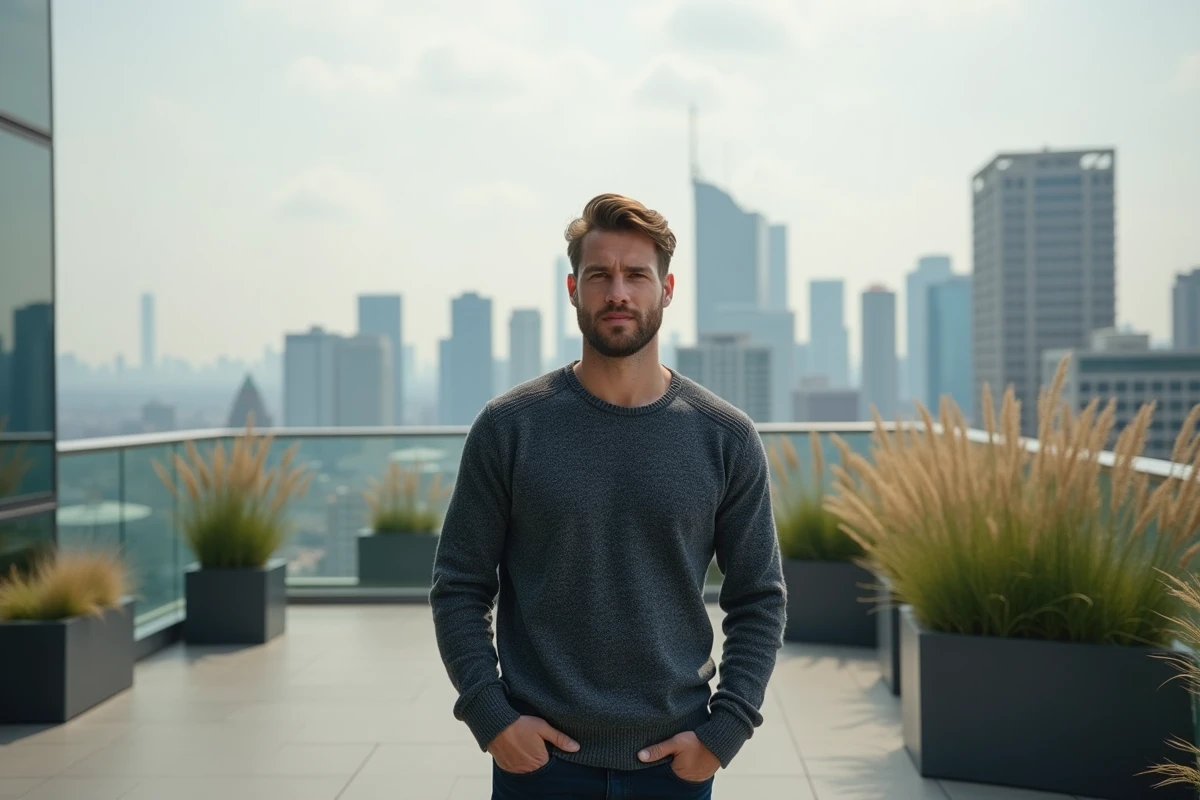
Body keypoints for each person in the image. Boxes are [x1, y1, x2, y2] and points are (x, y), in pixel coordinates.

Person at [430, 193, 786, 799]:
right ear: (573, 288)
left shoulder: (725, 437)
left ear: (666, 289)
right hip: (538, 764)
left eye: (635, 276)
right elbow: (459, 583)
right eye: (600, 275)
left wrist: (723, 734)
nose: (617, 292)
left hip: (675, 764)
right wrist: (491, 719)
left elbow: (758, 598)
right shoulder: (509, 426)